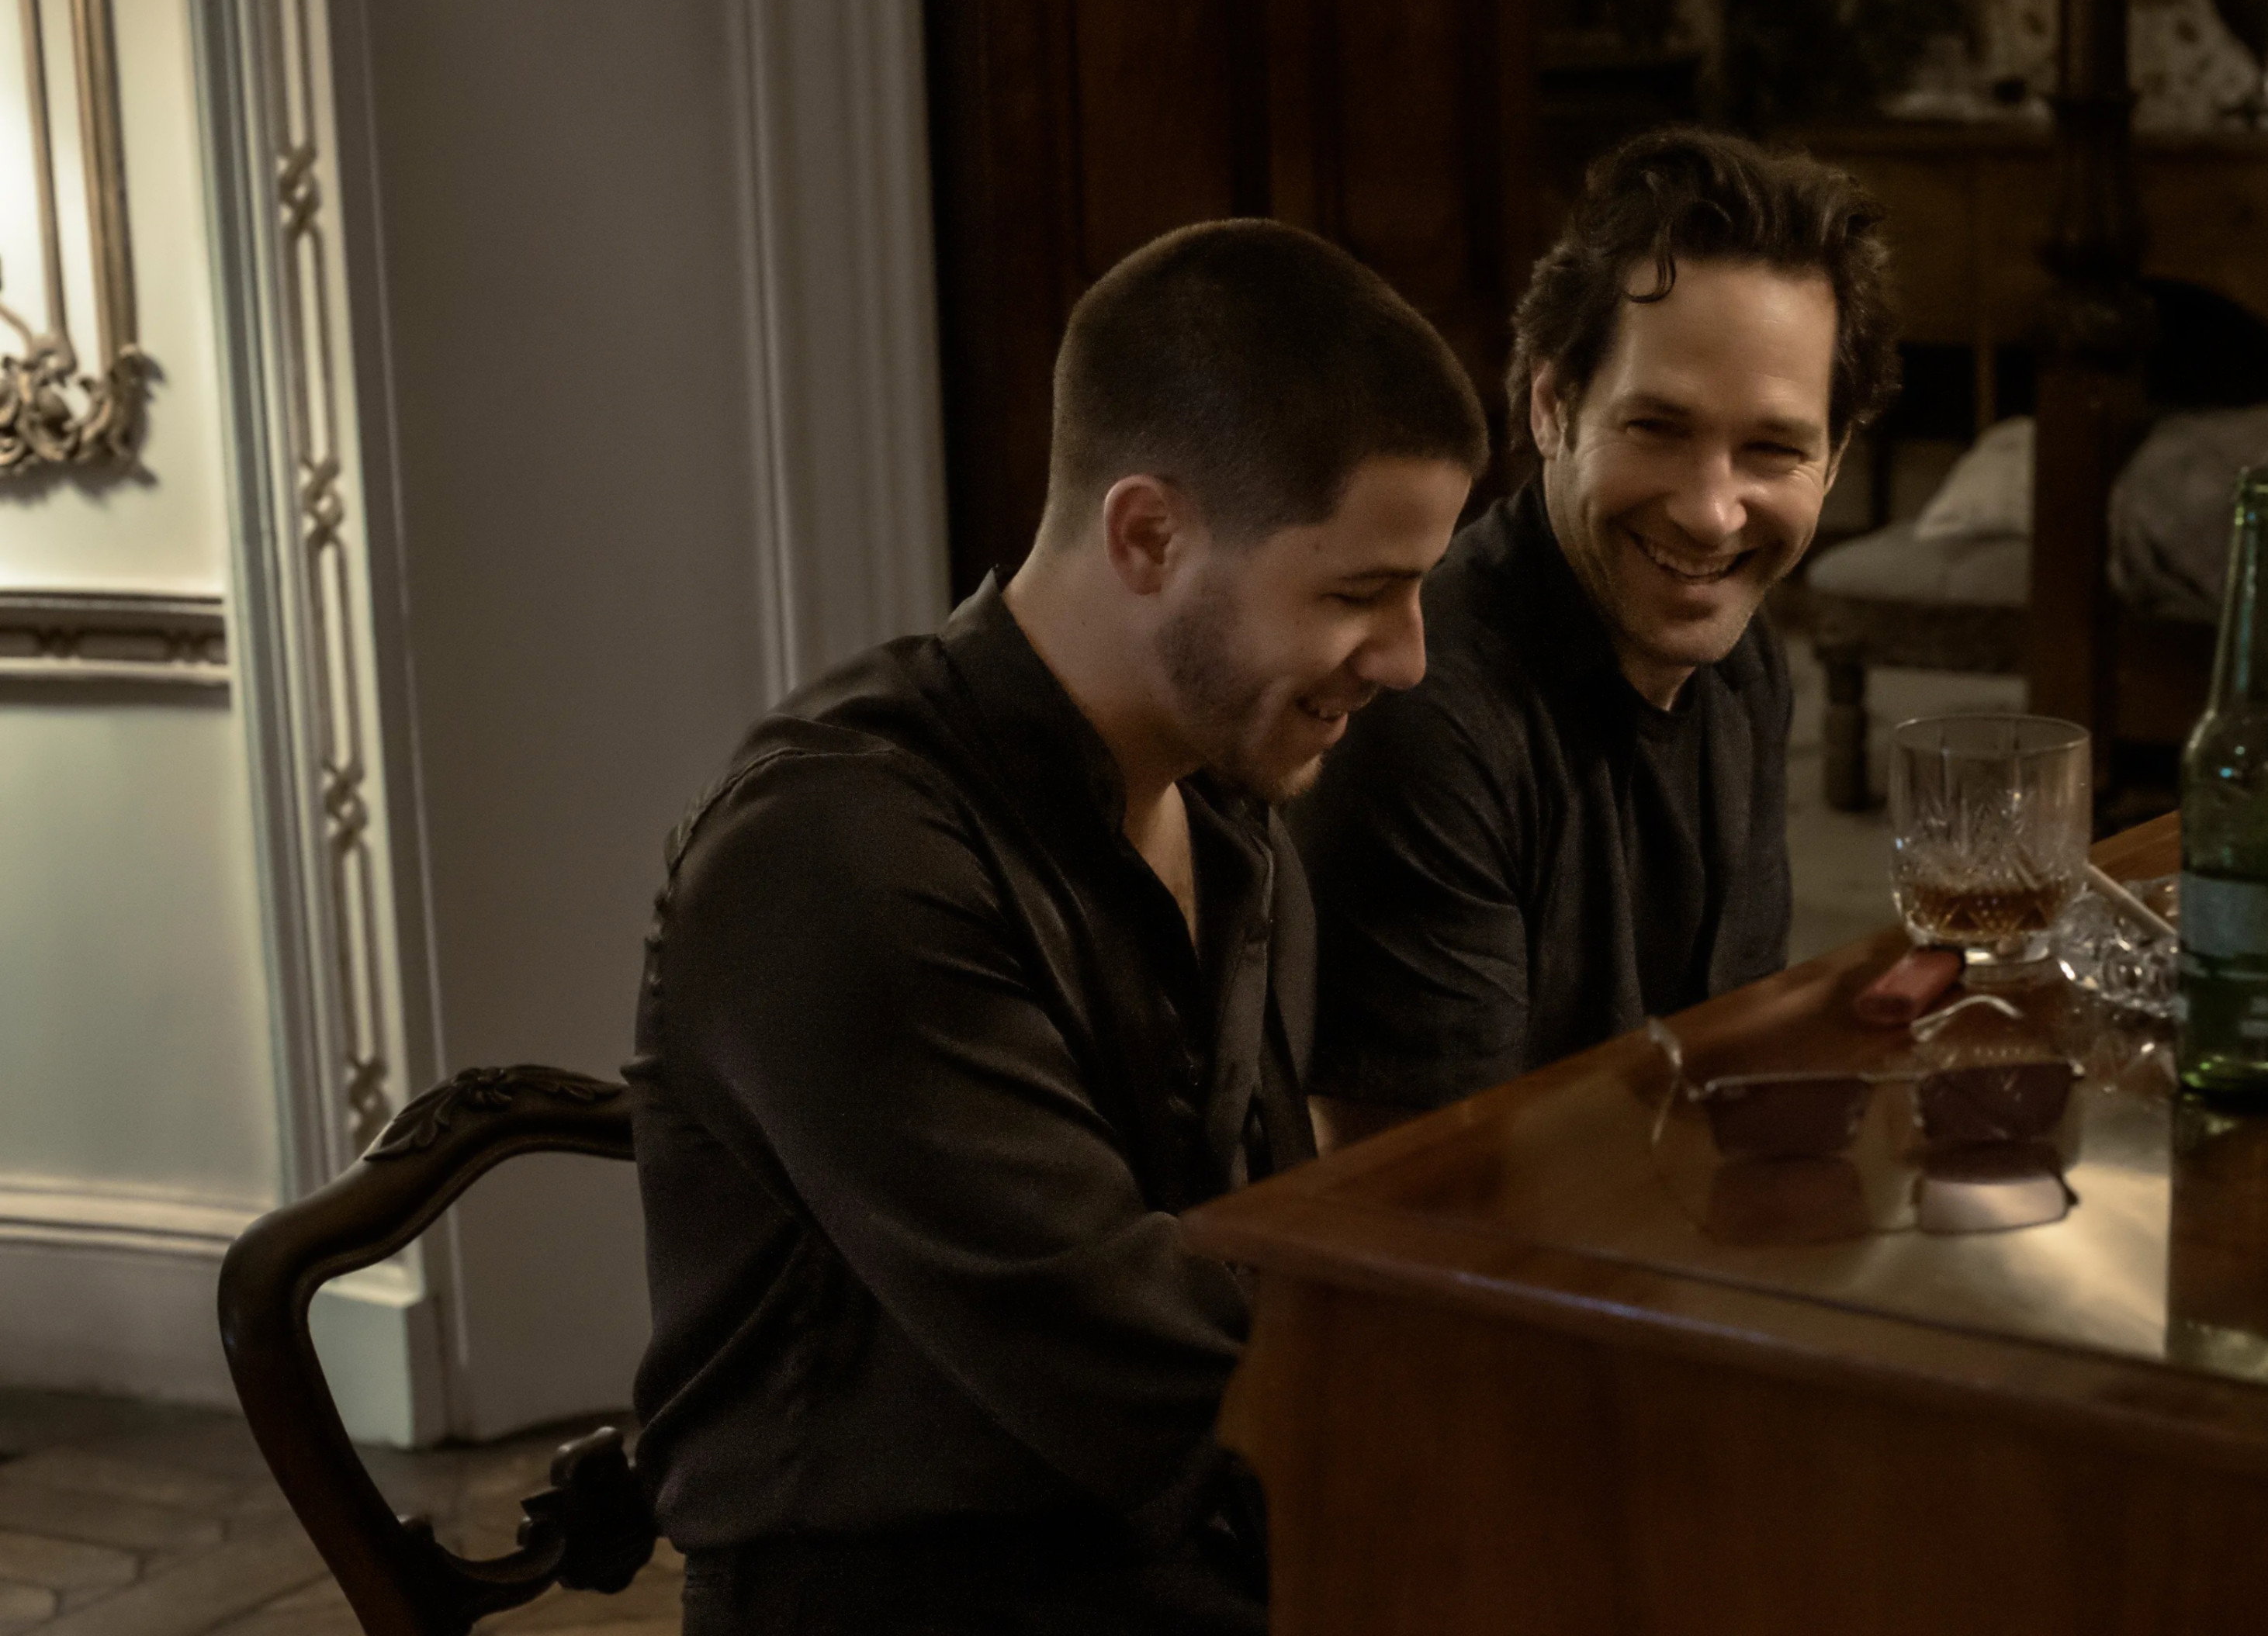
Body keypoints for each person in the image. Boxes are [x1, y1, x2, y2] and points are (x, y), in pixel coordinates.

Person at [627, 220, 1486, 1634]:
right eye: (1356, 593)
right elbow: (1153, 1384)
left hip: (1187, 1559)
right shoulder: (834, 852)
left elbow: (1269, 1275)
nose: (1407, 658)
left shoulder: (1231, 813)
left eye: (1417, 589)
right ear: (1147, 534)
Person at [1295, 127, 1899, 1139]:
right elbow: (1413, 1197)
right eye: (1657, 428)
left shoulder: (1741, 655)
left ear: (1833, 462)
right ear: (1551, 407)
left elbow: (1731, 1061)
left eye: (1772, 449)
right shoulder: (1424, 712)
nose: (1712, 514)